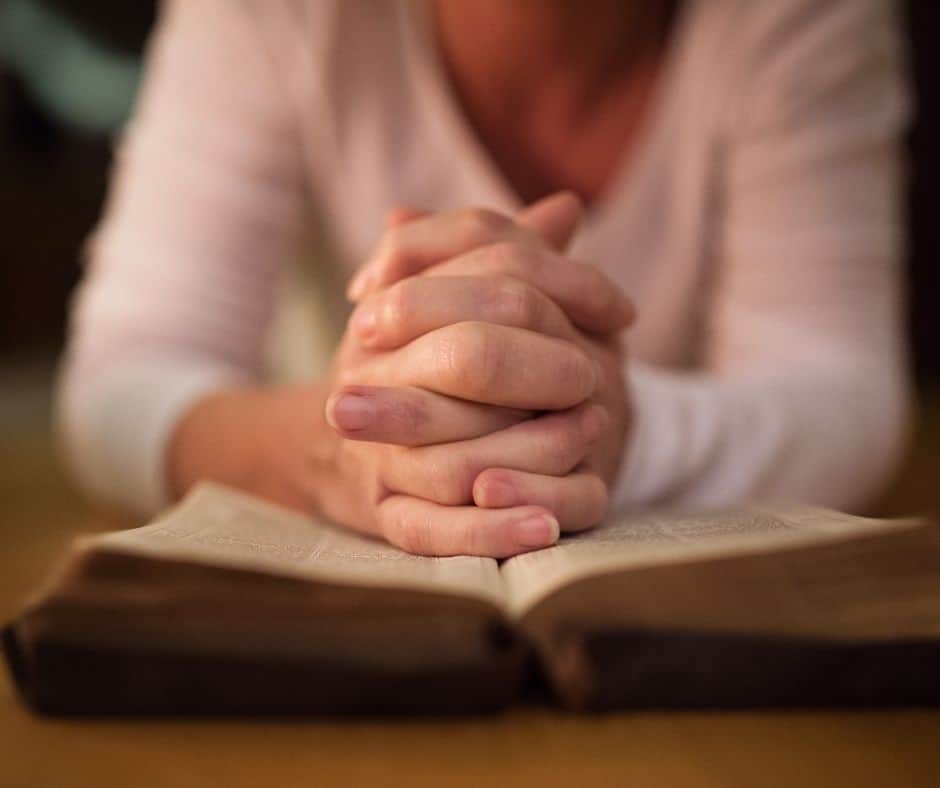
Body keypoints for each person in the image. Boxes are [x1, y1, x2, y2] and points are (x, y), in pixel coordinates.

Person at [58, 0, 912, 558]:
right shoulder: (265, 14)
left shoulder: (801, 19)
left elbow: (843, 392)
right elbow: (119, 381)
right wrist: (345, 448)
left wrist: (612, 425)